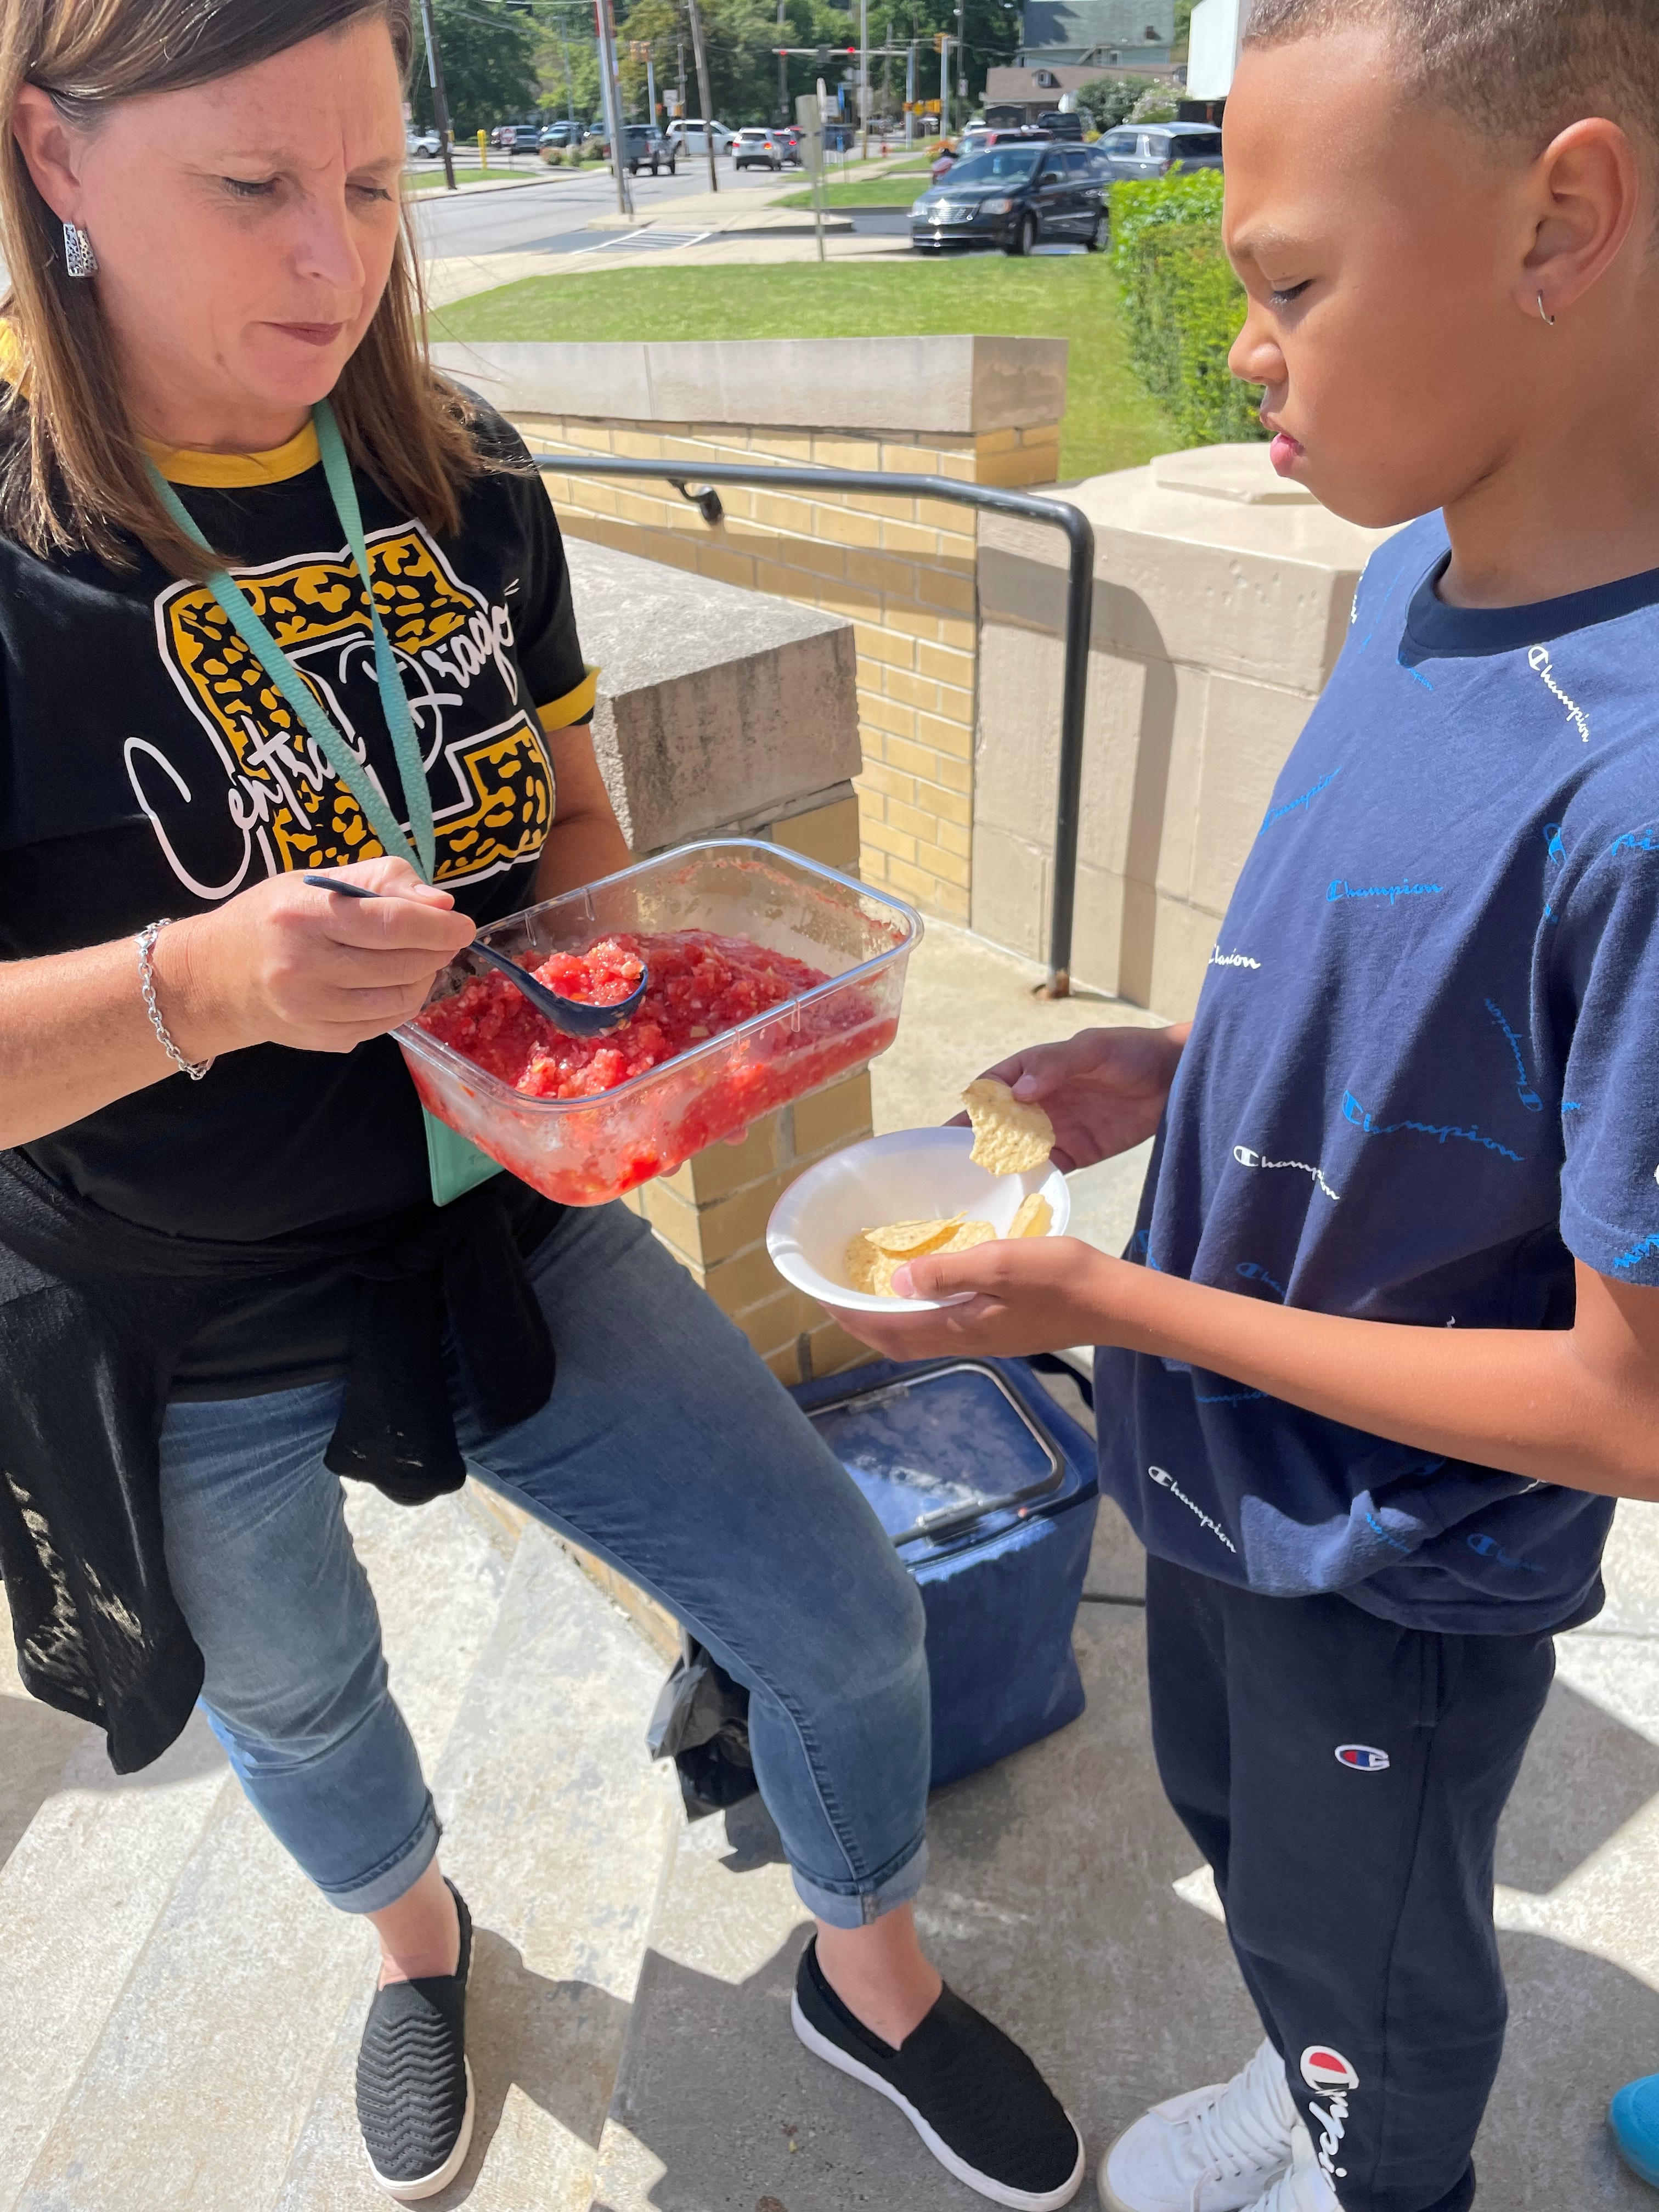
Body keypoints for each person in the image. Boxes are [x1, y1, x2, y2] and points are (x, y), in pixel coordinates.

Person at [0, 3, 1085, 2204]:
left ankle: (859, 1972)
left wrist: (633, 1024)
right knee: (292, 1700)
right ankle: (421, 1951)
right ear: (54, 159)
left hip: (505, 1215)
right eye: (255, 188)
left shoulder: (460, 470)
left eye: (378, 185)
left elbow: (572, 814)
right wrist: (204, 980)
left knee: (847, 1620)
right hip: (171, 1295)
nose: (338, 261)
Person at [828, 3, 1659, 2209]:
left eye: (1293, 283)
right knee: (1244, 1843)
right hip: (1217, 1478)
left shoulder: (1644, 786)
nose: (1250, 350)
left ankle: (1376, 2165)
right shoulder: (1417, 574)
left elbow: (1626, 1403)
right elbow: (1452, 1037)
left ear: (1565, 217)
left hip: (1393, 1557)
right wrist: (1185, 1073)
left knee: (1374, 1949)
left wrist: (1109, 1297)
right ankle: (1309, 2095)